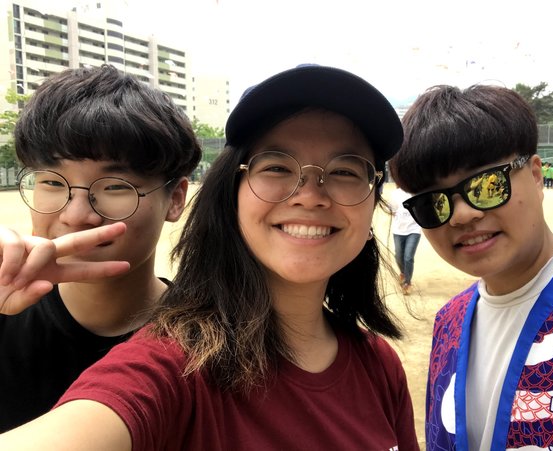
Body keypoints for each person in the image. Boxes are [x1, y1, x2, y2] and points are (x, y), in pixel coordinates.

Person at [0, 65, 419, 450]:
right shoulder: (178, 362)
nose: (309, 196)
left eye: (346, 171)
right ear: (232, 191)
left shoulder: (378, 364)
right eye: (276, 167)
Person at [389, 84, 553, 450]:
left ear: (535, 176)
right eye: (432, 203)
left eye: (487, 184)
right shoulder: (448, 323)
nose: (462, 215)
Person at [0, 65, 201, 432]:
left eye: (114, 187)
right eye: (51, 181)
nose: (77, 215)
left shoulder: (206, 344)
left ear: (175, 199)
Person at [389, 185, 421, 295]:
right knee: (398, 255)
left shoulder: (417, 192)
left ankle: (407, 282)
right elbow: (392, 211)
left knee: (408, 257)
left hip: (414, 230)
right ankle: (403, 272)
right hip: (398, 231)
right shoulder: (395, 194)